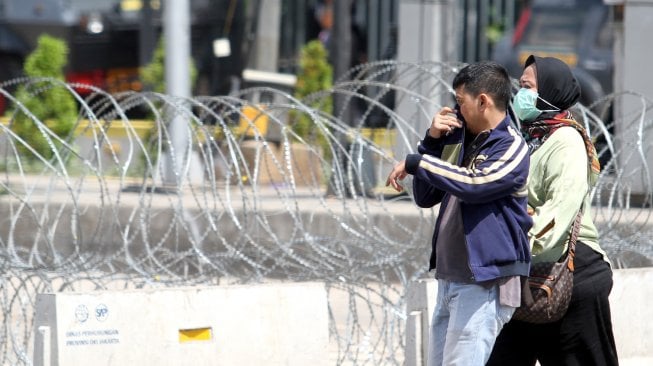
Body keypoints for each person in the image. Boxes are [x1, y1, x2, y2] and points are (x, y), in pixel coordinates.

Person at [385, 61, 532, 366]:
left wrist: (416, 162)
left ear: (483, 101)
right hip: (451, 279)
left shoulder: (511, 147)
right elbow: (426, 196)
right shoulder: (462, 140)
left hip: (484, 283)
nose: (455, 109)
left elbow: (474, 183)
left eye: (460, 101)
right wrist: (432, 141)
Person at [486, 55, 619, 365]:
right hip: (529, 271)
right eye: (521, 86)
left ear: (550, 91)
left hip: (570, 274)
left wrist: (512, 242)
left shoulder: (567, 141)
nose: (521, 93)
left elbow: (558, 212)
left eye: (529, 86)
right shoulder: (534, 139)